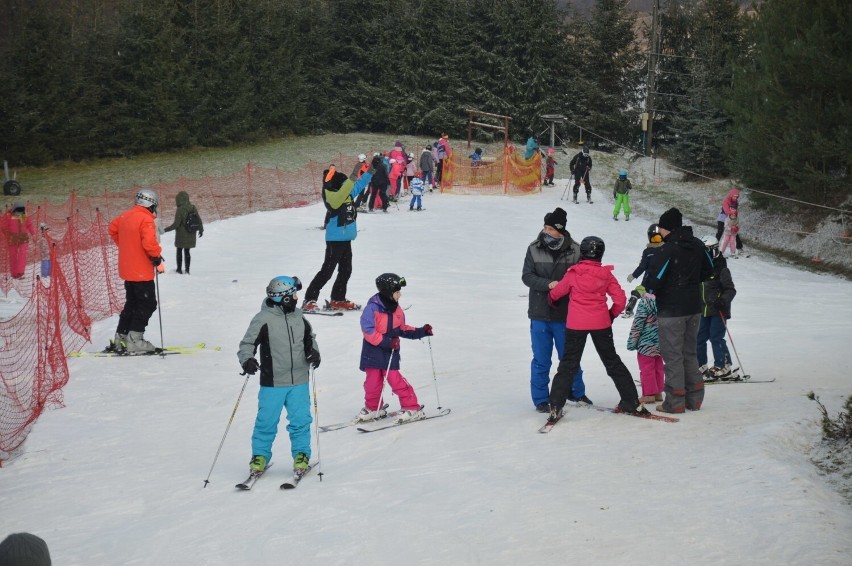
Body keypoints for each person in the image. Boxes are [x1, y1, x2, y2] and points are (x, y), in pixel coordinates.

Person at [547, 236, 644, 419]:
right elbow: (620, 300)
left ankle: (555, 407)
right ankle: (631, 401)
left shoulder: (574, 273)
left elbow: (557, 292)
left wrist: (551, 298)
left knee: (568, 365)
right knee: (612, 362)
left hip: (576, 324)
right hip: (601, 324)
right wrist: (611, 314)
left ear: (582, 253)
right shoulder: (606, 274)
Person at [238, 276, 320, 475]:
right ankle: (260, 456)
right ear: (283, 298)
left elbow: (310, 339)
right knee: (266, 421)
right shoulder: (263, 319)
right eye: (293, 295)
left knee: (301, 421)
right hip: (273, 381)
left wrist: (314, 352)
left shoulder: (299, 317)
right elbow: (247, 344)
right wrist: (247, 359)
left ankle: (301, 455)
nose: (296, 299)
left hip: (299, 380)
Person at [643, 208, 714, 414]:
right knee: (689, 353)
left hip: (671, 310)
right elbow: (709, 270)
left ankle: (675, 402)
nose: (661, 233)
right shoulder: (698, 244)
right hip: (693, 308)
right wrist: (690, 282)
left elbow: (654, 280)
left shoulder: (668, 249)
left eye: (661, 229)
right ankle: (694, 399)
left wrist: (662, 286)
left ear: (667, 228)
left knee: (673, 355)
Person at [522, 207, 590, 413]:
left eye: (550, 228)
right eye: (545, 227)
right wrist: (548, 284)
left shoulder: (576, 250)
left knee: (569, 357)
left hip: (566, 314)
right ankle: (541, 398)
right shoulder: (534, 248)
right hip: (540, 313)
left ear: (560, 229)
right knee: (541, 359)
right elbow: (527, 276)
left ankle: (576, 391)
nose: (546, 231)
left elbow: (582, 278)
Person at [358, 273, 433, 423]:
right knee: (372, 383)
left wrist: (421, 331)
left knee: (395, 380)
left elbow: (402, 329)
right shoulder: (372, 309)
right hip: (372, 352)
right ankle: (374, 408)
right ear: (388, 292)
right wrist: (387, 342)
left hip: (390, 353)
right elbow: (368, 330)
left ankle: (411, 407)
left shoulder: (397, 311)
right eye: (397, 292)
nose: (400, 295)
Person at [302, 165, 374, 311]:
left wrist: (372, 170)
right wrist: (351, 178)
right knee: (327, 271)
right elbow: (344, 192)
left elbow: (359, 184)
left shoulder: (346, 194)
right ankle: (309, 299)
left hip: (346, 240)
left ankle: (338, 299)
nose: (346, 186)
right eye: (343, 184)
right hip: (335, 241)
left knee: (346, 270)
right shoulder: (333, 197)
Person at [107, 188, 165, 354]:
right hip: (141, 271)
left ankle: (121, 337)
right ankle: (135, 340)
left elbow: (112, 229)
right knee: (147, 304)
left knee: (132, 303)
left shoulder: (125, 216)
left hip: (127, 269)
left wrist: (126, 246)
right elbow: (149, 243)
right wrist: (156, 257)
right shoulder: (145, 219)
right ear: (151, 204)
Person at [697, 236, 738, 380]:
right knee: (699, 338)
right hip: (703, 310)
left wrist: (722, 301)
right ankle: (700, 366)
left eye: (706, 251)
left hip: (718, 310)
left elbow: (730, 290)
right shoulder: (701, 269)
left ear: (714, 250)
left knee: (716, 337)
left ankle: (723, 366)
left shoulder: (721, 268)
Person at [626, 286, 665, 404]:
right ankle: (658, 392)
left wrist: (632, 342)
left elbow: (638, 324)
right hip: (661, 341)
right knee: (659, 367)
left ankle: (648, 394)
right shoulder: (664, 300)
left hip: (646, 344)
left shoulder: (645, 303)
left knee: (647, 369)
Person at [623, 223, 664, 317]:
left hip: (648, 280)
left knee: (640, 290)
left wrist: (633, 275)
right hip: (662, 281)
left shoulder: (648, 251)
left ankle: (631, 304)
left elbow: (642, 266)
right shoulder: (667, 249)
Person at [163, 190, 203, 274]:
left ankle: (179, 269)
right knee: (187, 251)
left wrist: (165, 230)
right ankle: (187, 270)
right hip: (191, 233)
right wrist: (201, 229)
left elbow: (176, 224)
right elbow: (198, 219)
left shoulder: (180, 209)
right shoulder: (193, 207)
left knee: (179, 251)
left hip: (181, 235)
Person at [1, 200, 35, 279]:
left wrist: (33, 234)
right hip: (12, 238)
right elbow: (3, 226)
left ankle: (20, 272)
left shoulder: (23, 215)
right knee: (13, 255)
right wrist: (8, 235)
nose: (19, 213)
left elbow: (29, 225)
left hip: (23, 238)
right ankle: (14, 273)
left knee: (22, 254)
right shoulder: (8, 215)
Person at [715, 187, 744, 253]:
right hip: (723, 218)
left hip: (732, 219)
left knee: (734, 231)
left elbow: (736, 210)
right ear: (731, 195)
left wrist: (735, 217)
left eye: (737, 196)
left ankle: (739, 248)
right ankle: (714, 247)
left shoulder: (736, 202)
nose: (735, 198)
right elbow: (726, 211)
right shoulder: (726, 201)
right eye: (734, 196)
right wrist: (733, 216)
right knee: (720, 232)